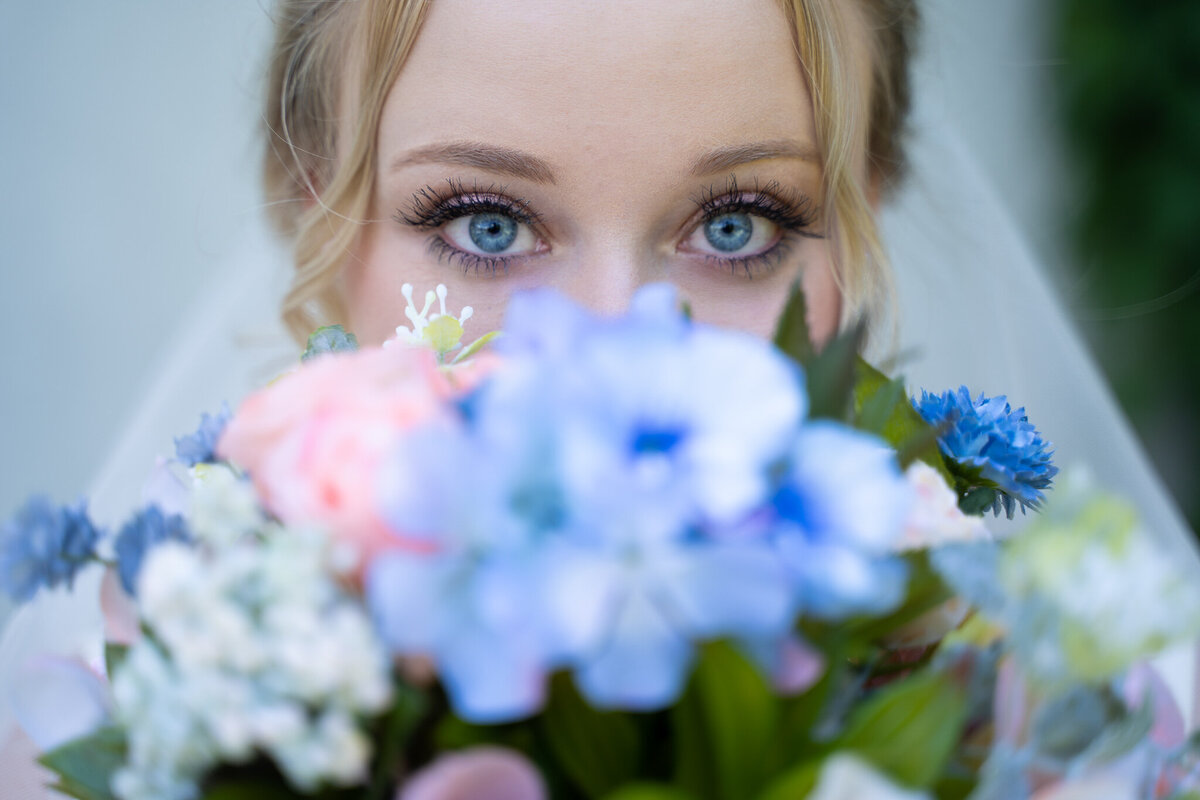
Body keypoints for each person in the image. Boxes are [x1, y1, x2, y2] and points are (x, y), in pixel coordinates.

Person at [2, 1, 1196, 797]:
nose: (615, 358)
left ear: (861, 209)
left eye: (735, 226)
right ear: (311, 207)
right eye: (486, 223)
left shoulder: (1079, 735)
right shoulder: (105, 747)